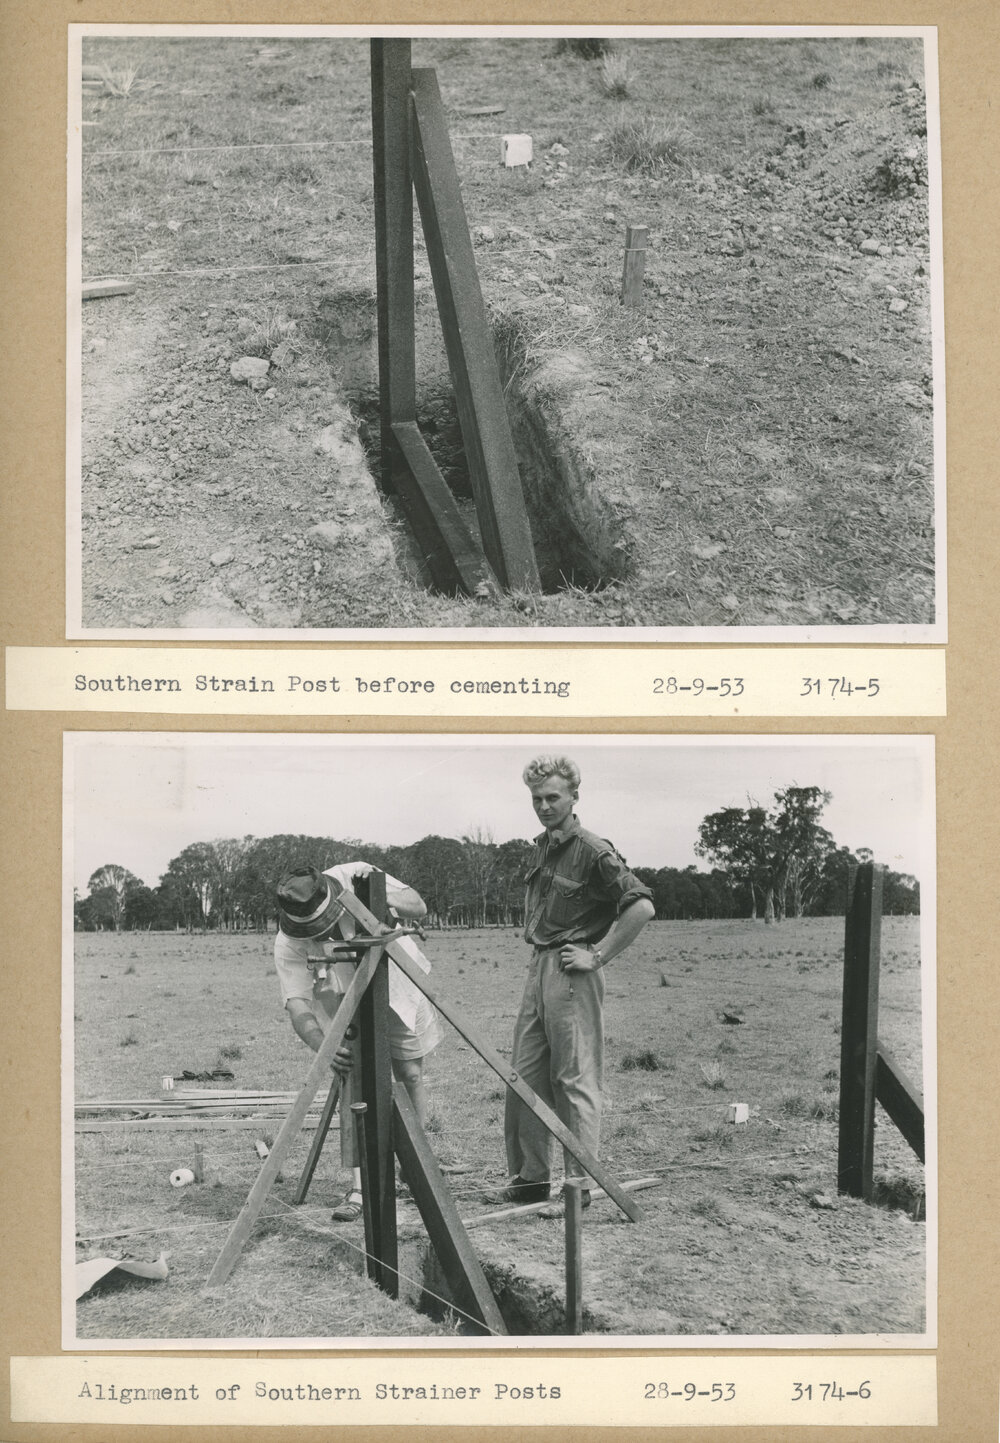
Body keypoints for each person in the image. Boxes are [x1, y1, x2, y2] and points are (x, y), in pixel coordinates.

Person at [491, 755, 655, 1213]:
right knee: (523, 1077)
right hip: (538, 966)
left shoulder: (591, 848)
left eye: (553, 797)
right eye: (537, 799)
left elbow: (641, 907)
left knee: (574, 1079)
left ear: (574, 797)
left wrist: (597, 954)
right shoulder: (544, 845)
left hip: (572, 969)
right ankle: (530, 1180)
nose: (544, 806)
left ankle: (578, 1186)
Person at [274, 860, 442, 1222]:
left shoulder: (355, 874)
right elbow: (297, 1005)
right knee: (352, 1080)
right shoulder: (288, 942)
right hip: (341, 1000)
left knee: (410, 1074)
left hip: (398, 980)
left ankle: (416, 1168)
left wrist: (381, 898)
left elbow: (419, 905)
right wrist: (324, 1045)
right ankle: (360, 1187)